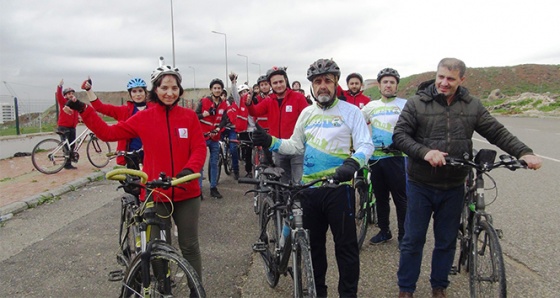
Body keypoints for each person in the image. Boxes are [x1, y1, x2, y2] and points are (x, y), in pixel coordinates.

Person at [393, 58, 543, 298]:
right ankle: (406, 289)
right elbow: (400, 136)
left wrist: (524, 152)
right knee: (413, 240)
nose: (443, 82)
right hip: (421, 183)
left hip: (454, 184)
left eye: (450, 79)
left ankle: (439, 286)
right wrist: (425, 152)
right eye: (440, 76)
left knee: (446, 240)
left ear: (462, 80)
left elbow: (496, 132)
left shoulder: (472, 105)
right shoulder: (417, 103)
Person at [65, 61, 207, 288]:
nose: (169, 93)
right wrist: (84, 109)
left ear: (180, 90)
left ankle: (196, 289)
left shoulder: (189, 117)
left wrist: (190, 170)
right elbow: (108, 132)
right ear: (155, 90)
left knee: (190, 245)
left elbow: (199, 148)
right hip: (156, 192)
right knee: (159, 247)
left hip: (186, 190)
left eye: (174, 88)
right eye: (164, 88)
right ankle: (164, 286)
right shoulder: (144, 117)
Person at [252, 58, 374, 297]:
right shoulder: (307, 113)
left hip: (338, 189)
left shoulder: (351, 112)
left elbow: (365, 145)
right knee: (314, 249)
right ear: (312, 86)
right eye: (318, 81)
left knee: (346, 250)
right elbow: (295, 146)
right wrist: (271, 141)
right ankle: (318, 292)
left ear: (336, 83)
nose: (323, 86)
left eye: (328, 80)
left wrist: (352, 163)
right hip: (309, 189)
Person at [361, 68, 408, 245]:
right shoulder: (371, 106)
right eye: (385, 82)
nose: (388, 85)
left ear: (396, 86)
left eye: (392, 82)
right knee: (380, 197)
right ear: (379, 85)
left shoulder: (404, 104)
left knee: (400, 198)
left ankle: (404, 234)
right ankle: (384, 230)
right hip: (376, 158)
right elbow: (358, 124)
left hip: (396, 157)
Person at [246, 66, 309, 184]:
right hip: (278, 148)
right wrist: (249, 104)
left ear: (286, 81)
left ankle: (297, 202)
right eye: (275, 83)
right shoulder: (269, 100)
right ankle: (285, 202)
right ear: (271, 85)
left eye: (281, 81)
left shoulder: (298, 98)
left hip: (297, 149)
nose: (278, 85)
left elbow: (308, 120)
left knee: (298, 183)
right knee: (283, 183)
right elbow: (255, 111)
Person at [82, 77, 151, 169]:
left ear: (145, 92)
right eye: (134, 91)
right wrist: (89, 90)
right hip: (132, 153)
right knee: (134, 181)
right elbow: (100, 107)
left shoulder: (154, 109)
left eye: (140, 91)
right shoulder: (124, 111)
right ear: (130, 94)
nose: (138, 94)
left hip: (151, 153)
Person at [196, 78, 229, 199]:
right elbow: (195, 116)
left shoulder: (224, 104)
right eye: (215, 88)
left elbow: (225, 119)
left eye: (219, 88)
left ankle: (213, 187)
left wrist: (218, 128)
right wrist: (204, 114)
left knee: (214, 163)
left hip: (215, 137)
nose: (217, 90)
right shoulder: (203, 101)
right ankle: (198, 190)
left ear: (222, 90)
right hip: (203, 137)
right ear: (211, 89)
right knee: (200, 164)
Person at [55, 79, 79, 170]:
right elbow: (59, 96)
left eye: (72, 93)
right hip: (64, 127)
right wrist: (59, 86)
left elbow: (76, 114)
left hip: (72, 127)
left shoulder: (75, 104)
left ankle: (69, 162)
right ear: (65, 95)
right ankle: (67, 164)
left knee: (72, 145)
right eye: (69, 93)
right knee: (66, 146)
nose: (71, 95)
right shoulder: (63, 102)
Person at [221, 89, 240, 180]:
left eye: (223, 95)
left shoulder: (230, 106)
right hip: (221, 129)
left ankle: (236, 170)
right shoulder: (215, 106)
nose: (221, 97)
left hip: (232, 128)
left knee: (233, 148)